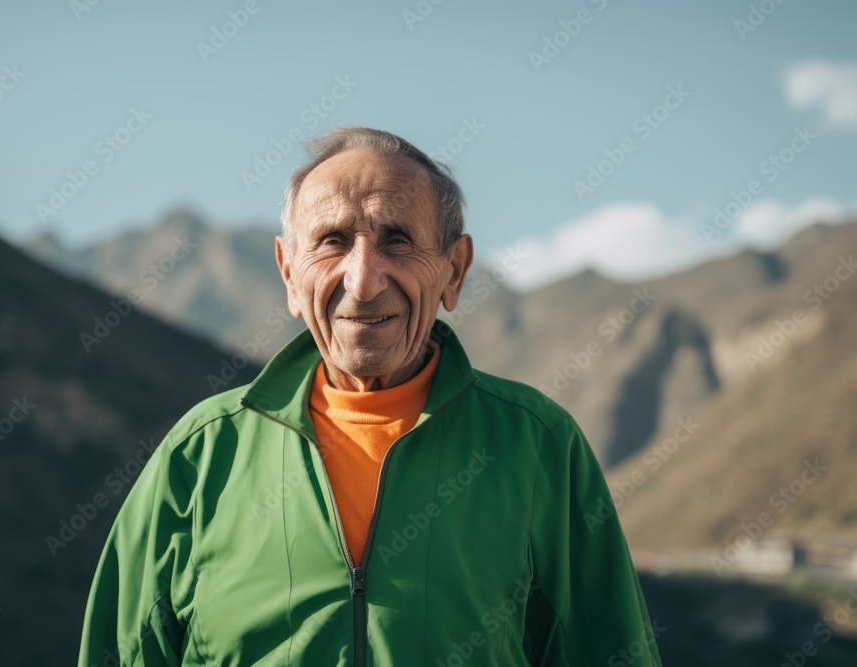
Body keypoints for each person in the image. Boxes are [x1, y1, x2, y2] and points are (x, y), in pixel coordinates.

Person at [78, 127, 663, 666]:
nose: (362, 280)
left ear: (454, 271)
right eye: (332, 241)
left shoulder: (538, 444)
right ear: (288, 272)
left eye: (398, 240)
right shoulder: (202, 453)